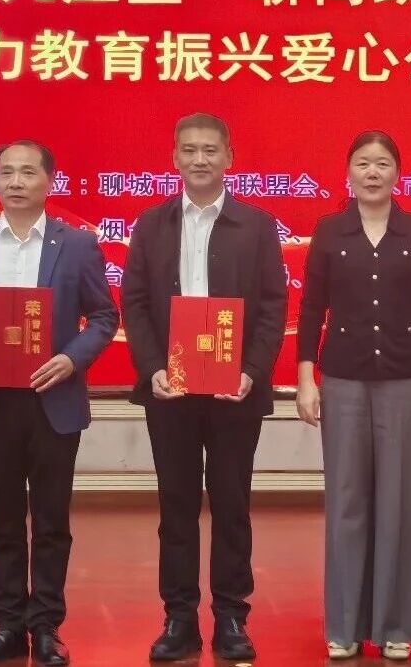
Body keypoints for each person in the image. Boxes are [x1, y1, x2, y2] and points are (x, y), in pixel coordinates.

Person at [0, 141, 118, 667]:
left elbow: (103, 316)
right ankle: (7, 626)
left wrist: (71, 359)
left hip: (52, 399)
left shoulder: (77, 244)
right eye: (6, 172)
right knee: (2, 522)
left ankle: (47, 627)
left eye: (28, 172)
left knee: (52, 521)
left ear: (49, 182)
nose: (16, 182)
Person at [122, 113, 287, 662]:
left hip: (234, 390)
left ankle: (232, 616)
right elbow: (135, 303)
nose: (200, 159)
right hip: (169, 391)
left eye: (210, 150)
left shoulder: (257, 225)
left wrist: (252, 370)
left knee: (232, 504)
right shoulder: (151, 225)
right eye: (189, 150)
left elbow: (273, 306)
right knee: (176, 506)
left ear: (229, 158)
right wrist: (152, 367)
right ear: (174, 157)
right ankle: (179, 618)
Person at [295, 131, 411, 661]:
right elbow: (312, 307)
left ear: (397, 173)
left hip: (406, 381)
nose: (373, 172)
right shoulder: (329, 231)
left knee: (401, 502)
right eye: (363, 163)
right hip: (343, 380)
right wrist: (306, 377)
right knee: (347, 502)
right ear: (349, 172)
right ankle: (343, 625)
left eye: (383, 163)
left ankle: (395, 623)